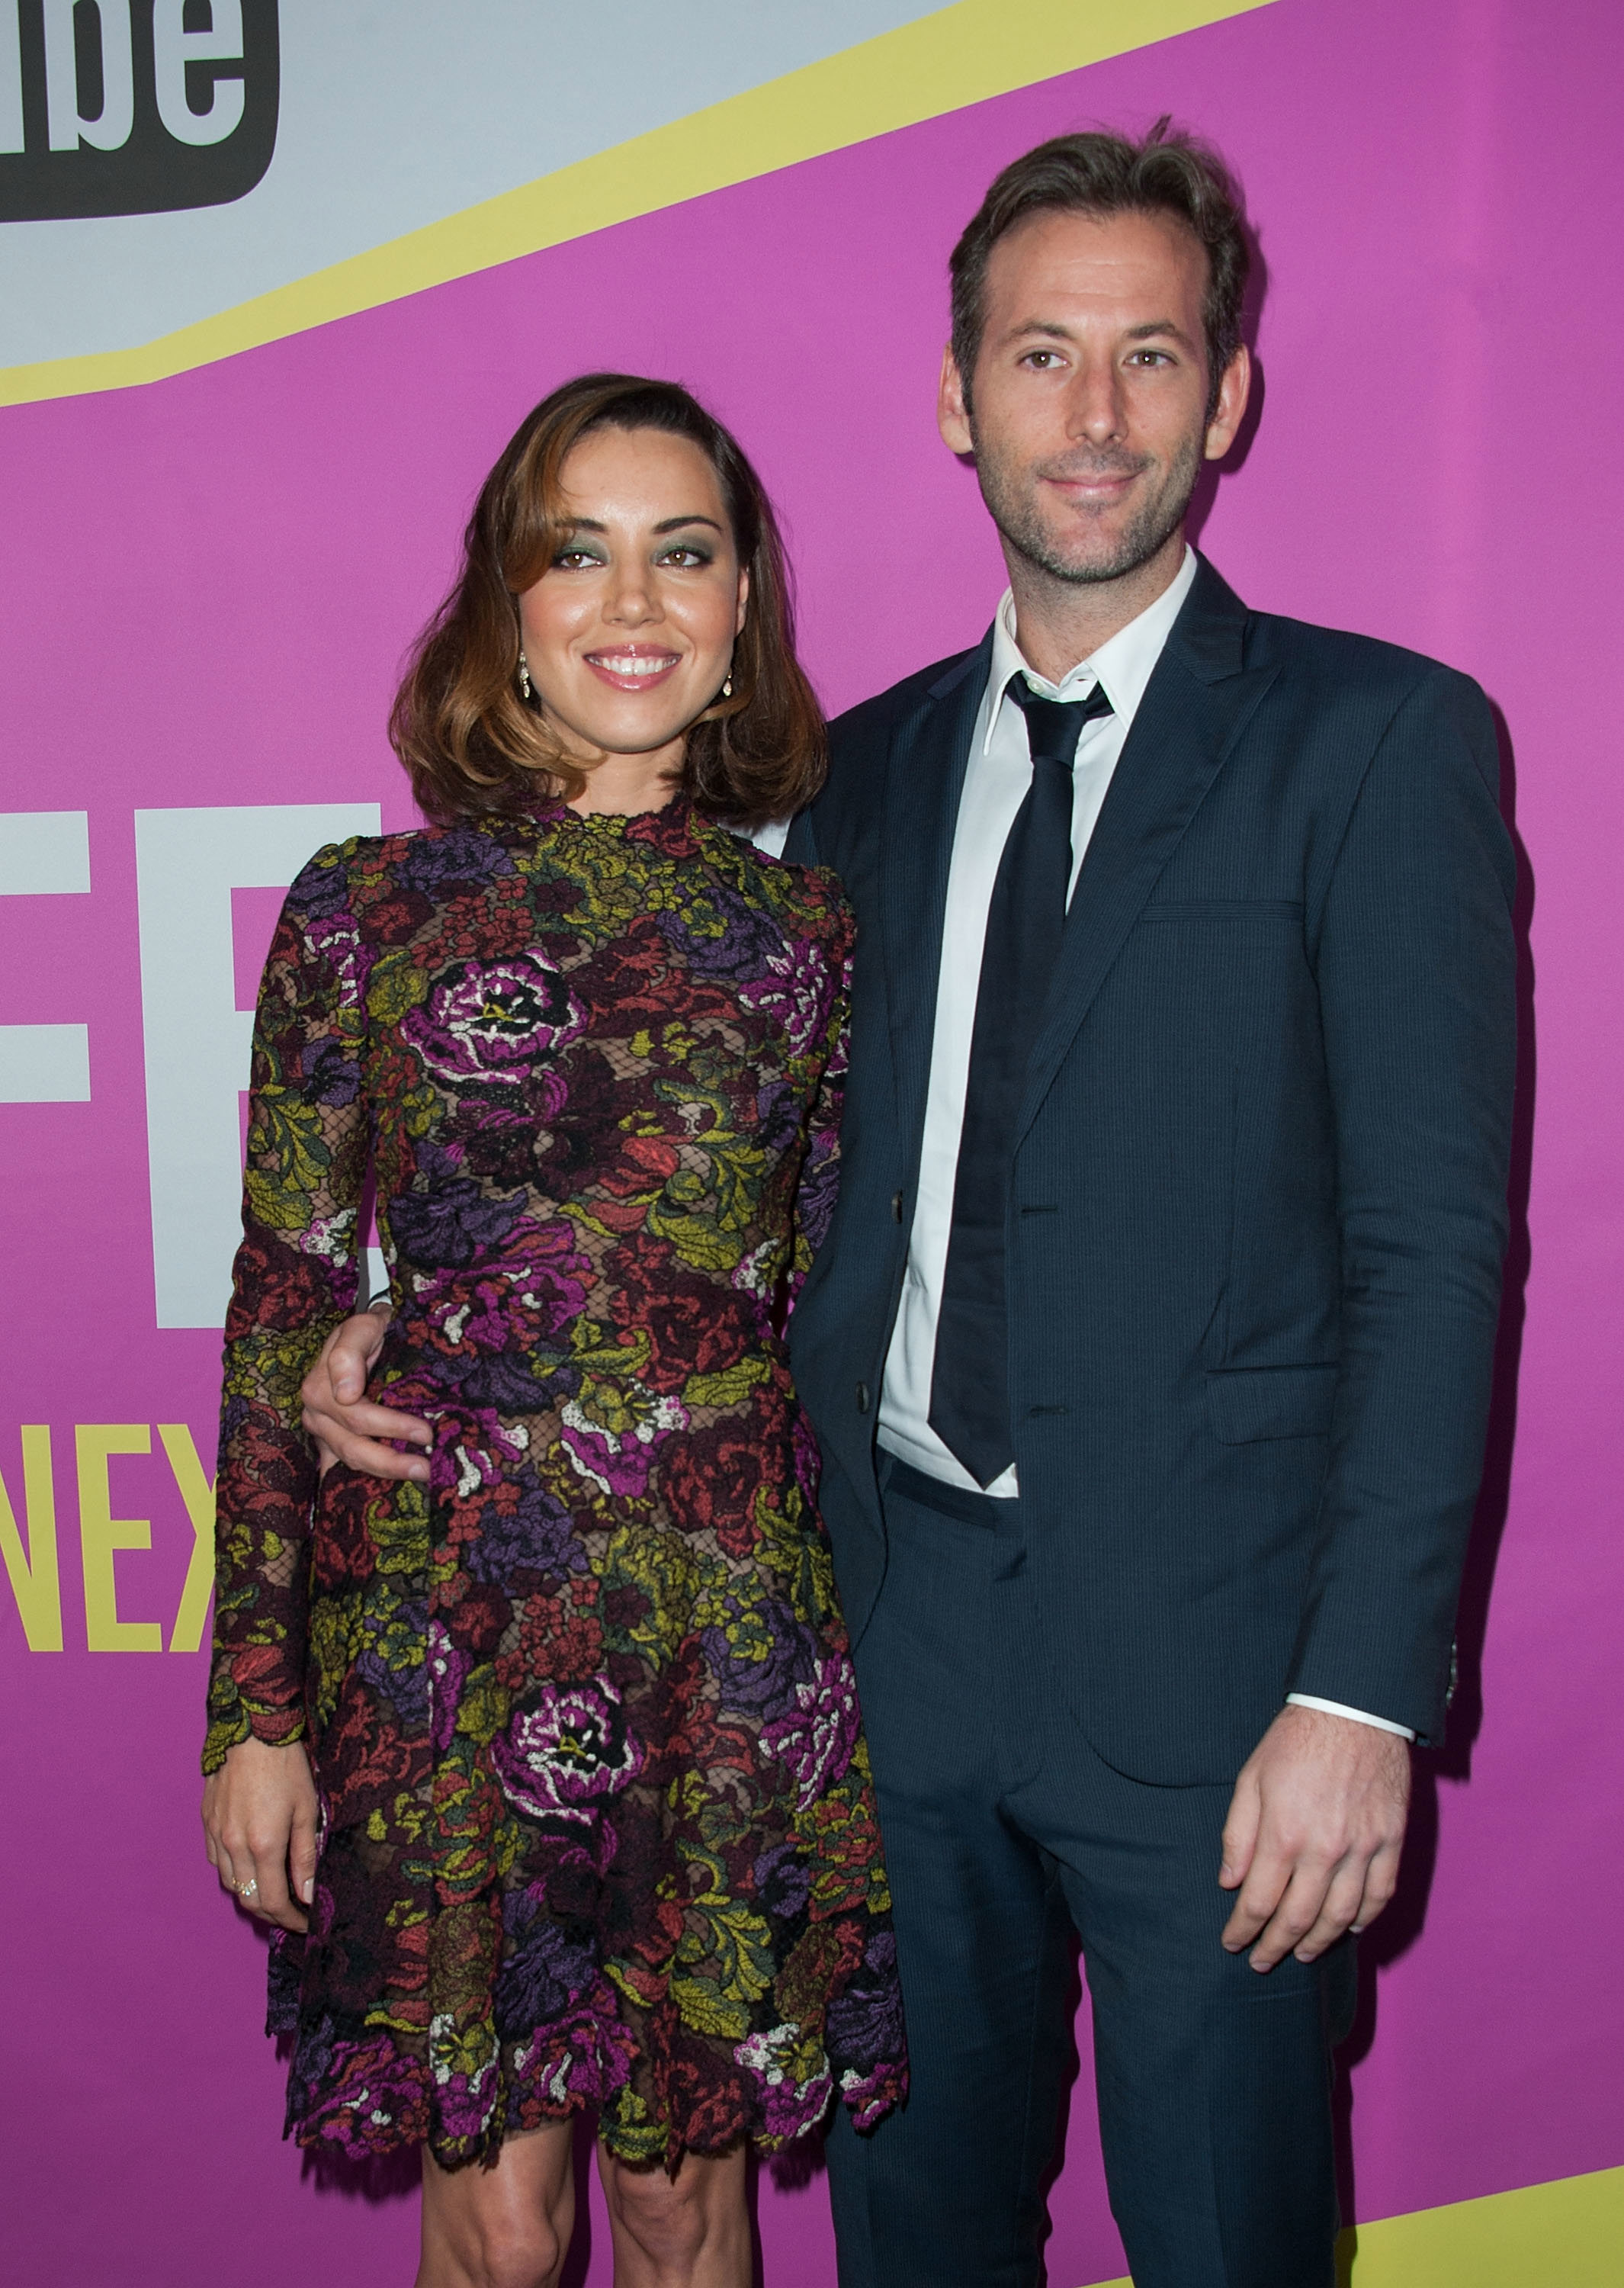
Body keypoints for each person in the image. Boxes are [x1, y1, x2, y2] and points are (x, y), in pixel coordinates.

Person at [305, 127, 1518, 2287]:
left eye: (1153, 354)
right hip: (876, 1661)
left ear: (1227, 396)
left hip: (1228, 1700)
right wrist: (405, 1322)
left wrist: (1360, 1700)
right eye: (1041, 355)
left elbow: (1435, 1256)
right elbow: (674, 1159)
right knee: (912, 2250)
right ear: (958, 395)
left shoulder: (1381, 743)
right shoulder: (836, 784)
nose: (1098, 413)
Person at [200, 372, 906, 2288]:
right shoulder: (361, 912)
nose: (633, 599)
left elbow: (817, 1293)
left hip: (716, 1630)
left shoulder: (807, 945)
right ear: (504, 602)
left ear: (743, 606)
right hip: (440, 1626)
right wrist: (251, 1716)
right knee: (502, 2230)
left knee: (687, 2208)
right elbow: (280, 1310)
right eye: (575, 549)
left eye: (683, 553)